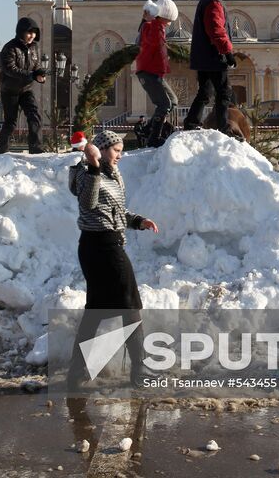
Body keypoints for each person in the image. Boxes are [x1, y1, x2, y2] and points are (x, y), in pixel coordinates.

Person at [67, 129, 159, 387]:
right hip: (101, 248)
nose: (121, 155)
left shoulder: (112, 175)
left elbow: (116, 210)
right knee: (130, 306)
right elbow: (89, 203)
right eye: (116, 150)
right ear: (102, 149)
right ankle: (139, 371)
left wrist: (138, 221)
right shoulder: (87, 173)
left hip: (106, 245)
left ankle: (77, 371)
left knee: (96, 310)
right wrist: (94, 166)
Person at [183, 0, 237, 135]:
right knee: (224, 92)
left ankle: (191, 122)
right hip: (214, 57)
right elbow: (216, 30)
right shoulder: (214, 3)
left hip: (204, 57)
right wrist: (227, 53)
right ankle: (224, 127)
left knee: (205, 92)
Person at [0, 17, 46, 155]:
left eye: (34, 33)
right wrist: (31, 75)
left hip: (26, 89)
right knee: (11, 122)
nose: (32, 36)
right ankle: (0, 151)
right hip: (9, 90)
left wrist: (40, 73)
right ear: (21, 32)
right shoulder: (10, 47)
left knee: (34, 115)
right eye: (29, 32)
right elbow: (10, 69)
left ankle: (36, 149)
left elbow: (37, 65)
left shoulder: (34, 47)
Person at [135, 0, 179, 147]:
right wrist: (154, 21)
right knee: (164, 104)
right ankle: (154, 137)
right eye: (169, 20)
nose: (170, 23)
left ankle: (148, 129)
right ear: (162, 17)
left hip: (155, 73)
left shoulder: (155, 26)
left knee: (172, 101)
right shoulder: (151, 26)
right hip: (148, 72)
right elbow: (154, 42)